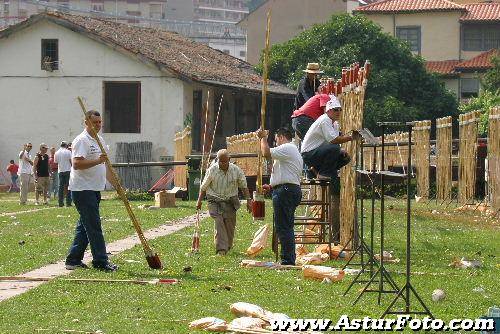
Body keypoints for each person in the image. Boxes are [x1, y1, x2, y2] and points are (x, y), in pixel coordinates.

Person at [65, 110, 119, 272]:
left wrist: (117, 186)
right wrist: (97, 160)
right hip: (82, 189)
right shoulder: (82, 140)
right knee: (94, 226)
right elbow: (76, 164)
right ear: (86, 122)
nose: (98, 125)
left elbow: (105, 166)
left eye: (100, 122)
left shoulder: (99, 140)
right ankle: (101, 261)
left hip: (94, 188)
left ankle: (73, 260)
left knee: (85, 226)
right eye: (95, 122)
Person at [258, 127, 303, 265]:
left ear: (282, 137)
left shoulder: (288, 148)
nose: (276, 143)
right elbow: (285, 172)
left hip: (286, 191)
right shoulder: (291, 150)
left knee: (283, 227)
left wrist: (263, 137)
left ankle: (287, 260)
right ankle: (288, 258)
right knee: (285, 225)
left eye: (276, 139)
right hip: (288, 189)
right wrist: (271, 186)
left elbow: (265, 152)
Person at [196, 149, 252, 255]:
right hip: (214, 200)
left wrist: (249, 201)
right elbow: (203, 187)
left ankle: (227, 246)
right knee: (219, 221)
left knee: (229, 226)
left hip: (230, 200)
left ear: (229, 160)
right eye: (220, 161)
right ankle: (221, 249)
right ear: (217, 160)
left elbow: (244, 186)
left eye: (224, 161)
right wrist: (199, 201)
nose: (222, 164)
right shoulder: (212, 170)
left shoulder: (236, 170)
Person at [301, 96, 357, 179]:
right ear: (329, 111)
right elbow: (333, 140)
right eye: (335, 110)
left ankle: (315, 171)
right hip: (308, 155)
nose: (338, 112)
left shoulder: (334, 124)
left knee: (345, 158)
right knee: (334, 148)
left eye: (339, 109)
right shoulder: (325, 120)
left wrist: (340, 150)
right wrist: (350, 138)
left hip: (318, 152)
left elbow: (334, 140)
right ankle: (324, 174)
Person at [55, 141, 72, 207]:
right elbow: (71, 161)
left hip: (60, 171)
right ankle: (68, 202)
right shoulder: (68, 152)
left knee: (60, 187)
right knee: (68, 187)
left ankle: (60, 202)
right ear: (66, 145)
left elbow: (56, 162)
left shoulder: (56, 153)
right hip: (68, 170)